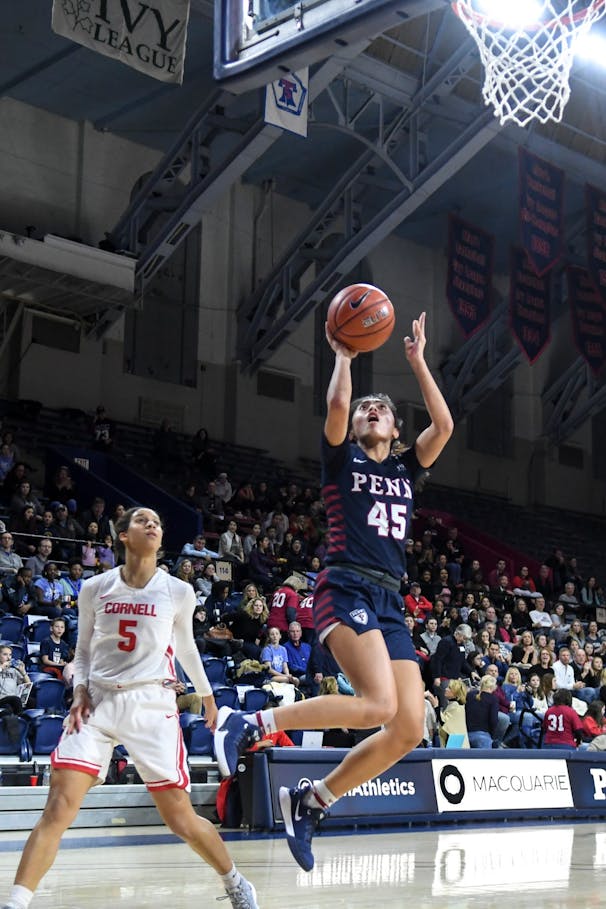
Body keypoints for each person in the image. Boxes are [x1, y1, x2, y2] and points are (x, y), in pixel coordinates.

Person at [214, 310, 453, 872]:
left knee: (408, 726)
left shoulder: (405, 470)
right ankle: (251, 723)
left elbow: (443, 427)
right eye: (368, 408)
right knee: (377, 706)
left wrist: (418, 362)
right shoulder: (341, 458)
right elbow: (339, 405)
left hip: (389, 600)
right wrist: (343, 355)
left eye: (383, 410)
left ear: (395, 429)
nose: (372, 411)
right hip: (345, 584)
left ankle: (312, 802)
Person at [0, 505, 259, 909]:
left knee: (180, 820)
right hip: (98, 702)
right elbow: (83, 651)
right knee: (58, 807)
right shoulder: (94, 587)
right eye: (142, 520)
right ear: (123, 535)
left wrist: (208, 696)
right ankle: (17, 902)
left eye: (157, 521)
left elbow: (187, 648)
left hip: (151, 704)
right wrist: (79, 688)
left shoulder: (178, 590)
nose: (152, 524)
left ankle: (235, 882)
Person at [465, 674, 499, 748]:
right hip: (482, 737)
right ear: (493, 687)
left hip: (465, 734)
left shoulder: (469, 695)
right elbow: (494, 720)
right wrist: (492, 735)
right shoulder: (493, 699)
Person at [438, 678, 469, 748]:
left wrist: (436, 707)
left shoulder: (455, 706)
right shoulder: (454, 705)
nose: (446, 689)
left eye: (449, 688)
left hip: (456, 741)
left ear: (456, 692)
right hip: (456, 739)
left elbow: (444, 722)